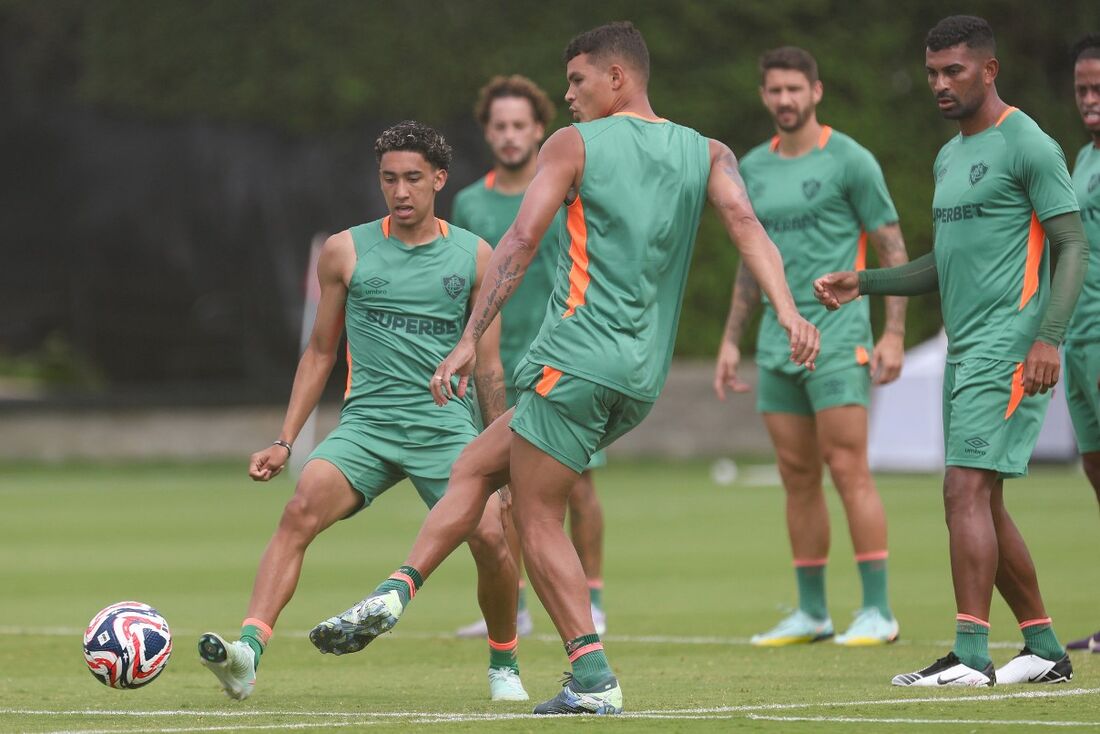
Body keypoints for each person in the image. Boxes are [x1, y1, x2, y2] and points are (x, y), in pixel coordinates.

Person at [307, 21, 819, 715]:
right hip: (639, 378)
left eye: (577, 80)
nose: (569, 94)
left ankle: (593, 678)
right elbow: (749, 229)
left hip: (573, 359)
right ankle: (397, 590)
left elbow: (522, 238)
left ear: (617, 77)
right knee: (475, 466)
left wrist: (467, 339)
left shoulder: (573, 143)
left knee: (537, 513)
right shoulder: (710, 152)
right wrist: (788, 312)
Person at [196, 120, 529, 703]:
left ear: (439, 179)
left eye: (413, 179)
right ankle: (247, 654)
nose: (400, 191)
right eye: (389, 179)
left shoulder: (476, 255)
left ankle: (504, 666)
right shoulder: (345, 251)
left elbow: (490, 367)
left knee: (490, 538)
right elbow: (320, 351)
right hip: (367, 428)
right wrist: (285, 439)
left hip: (443, 427)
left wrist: (498, 461)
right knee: (299, 509)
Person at [814, 15, 1088, 686]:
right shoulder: (949, 157)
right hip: (964, 351)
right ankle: (1043, 648)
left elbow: (1072, 244)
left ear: (989, 70)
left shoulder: (1029, 144)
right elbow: (945, 262)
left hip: (1010, 347)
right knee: (982, 499)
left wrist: (1049, 338)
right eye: (932, 72)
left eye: (953, 71)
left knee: (963, 488)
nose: (940, 83)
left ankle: (970, 654)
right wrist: (865, 282)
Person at [714, 46, 909, 648]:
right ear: (763, 95)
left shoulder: (850, 159)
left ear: (816, 91)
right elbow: (750, 262)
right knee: (796, 476)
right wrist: (730, 340)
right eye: (775, 90)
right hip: (777, 346)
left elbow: (891, 247)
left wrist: (894, 332)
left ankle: (877, 610)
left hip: (840, 339)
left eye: (795, 88)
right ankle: (812, 613)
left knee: (848, 468)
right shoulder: (751, 166)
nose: (785, 99)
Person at [451, 74, 610, 640]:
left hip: (561, 361)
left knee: (579, 486)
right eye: (500, 126)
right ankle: (512, 605)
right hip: (494, 367)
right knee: (504, 490)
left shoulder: (569, 188)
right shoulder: (469, 202)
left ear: (541, 128)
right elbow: (464, 283)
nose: (510, 135)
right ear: (487, 132)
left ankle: (593, 600)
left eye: (520, 125)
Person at [1064, 32, 1100, 655]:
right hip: (1078, 337)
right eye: (1082, 89)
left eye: (1099, 88)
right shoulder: (1084, 157)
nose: (1090, 99)